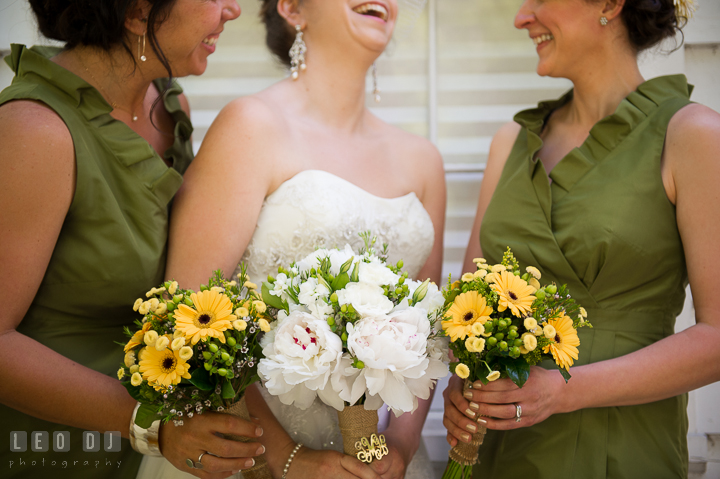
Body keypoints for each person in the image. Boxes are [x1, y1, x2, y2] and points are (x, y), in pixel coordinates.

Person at [137, 1, 447, 478]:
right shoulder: (250, 126)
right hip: (247, 454)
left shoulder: (424, 162)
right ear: (293, 8)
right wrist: (286, 458)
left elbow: (428, 339)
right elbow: (188, 316)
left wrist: (399, 450)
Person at [442, 0, 720, 477]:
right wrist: (461, 380)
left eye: (539, 0)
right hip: (504, 450)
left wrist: (565, 390)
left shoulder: (693, 136)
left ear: (610, 4)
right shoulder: (510, 142)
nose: (521, 18)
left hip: (623, 448)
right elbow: (467, 306)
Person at [0, 1, 265, 478]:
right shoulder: (36, 131)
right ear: (139, 12)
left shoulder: (167, 104)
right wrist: (152, 424)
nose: (233, 9)